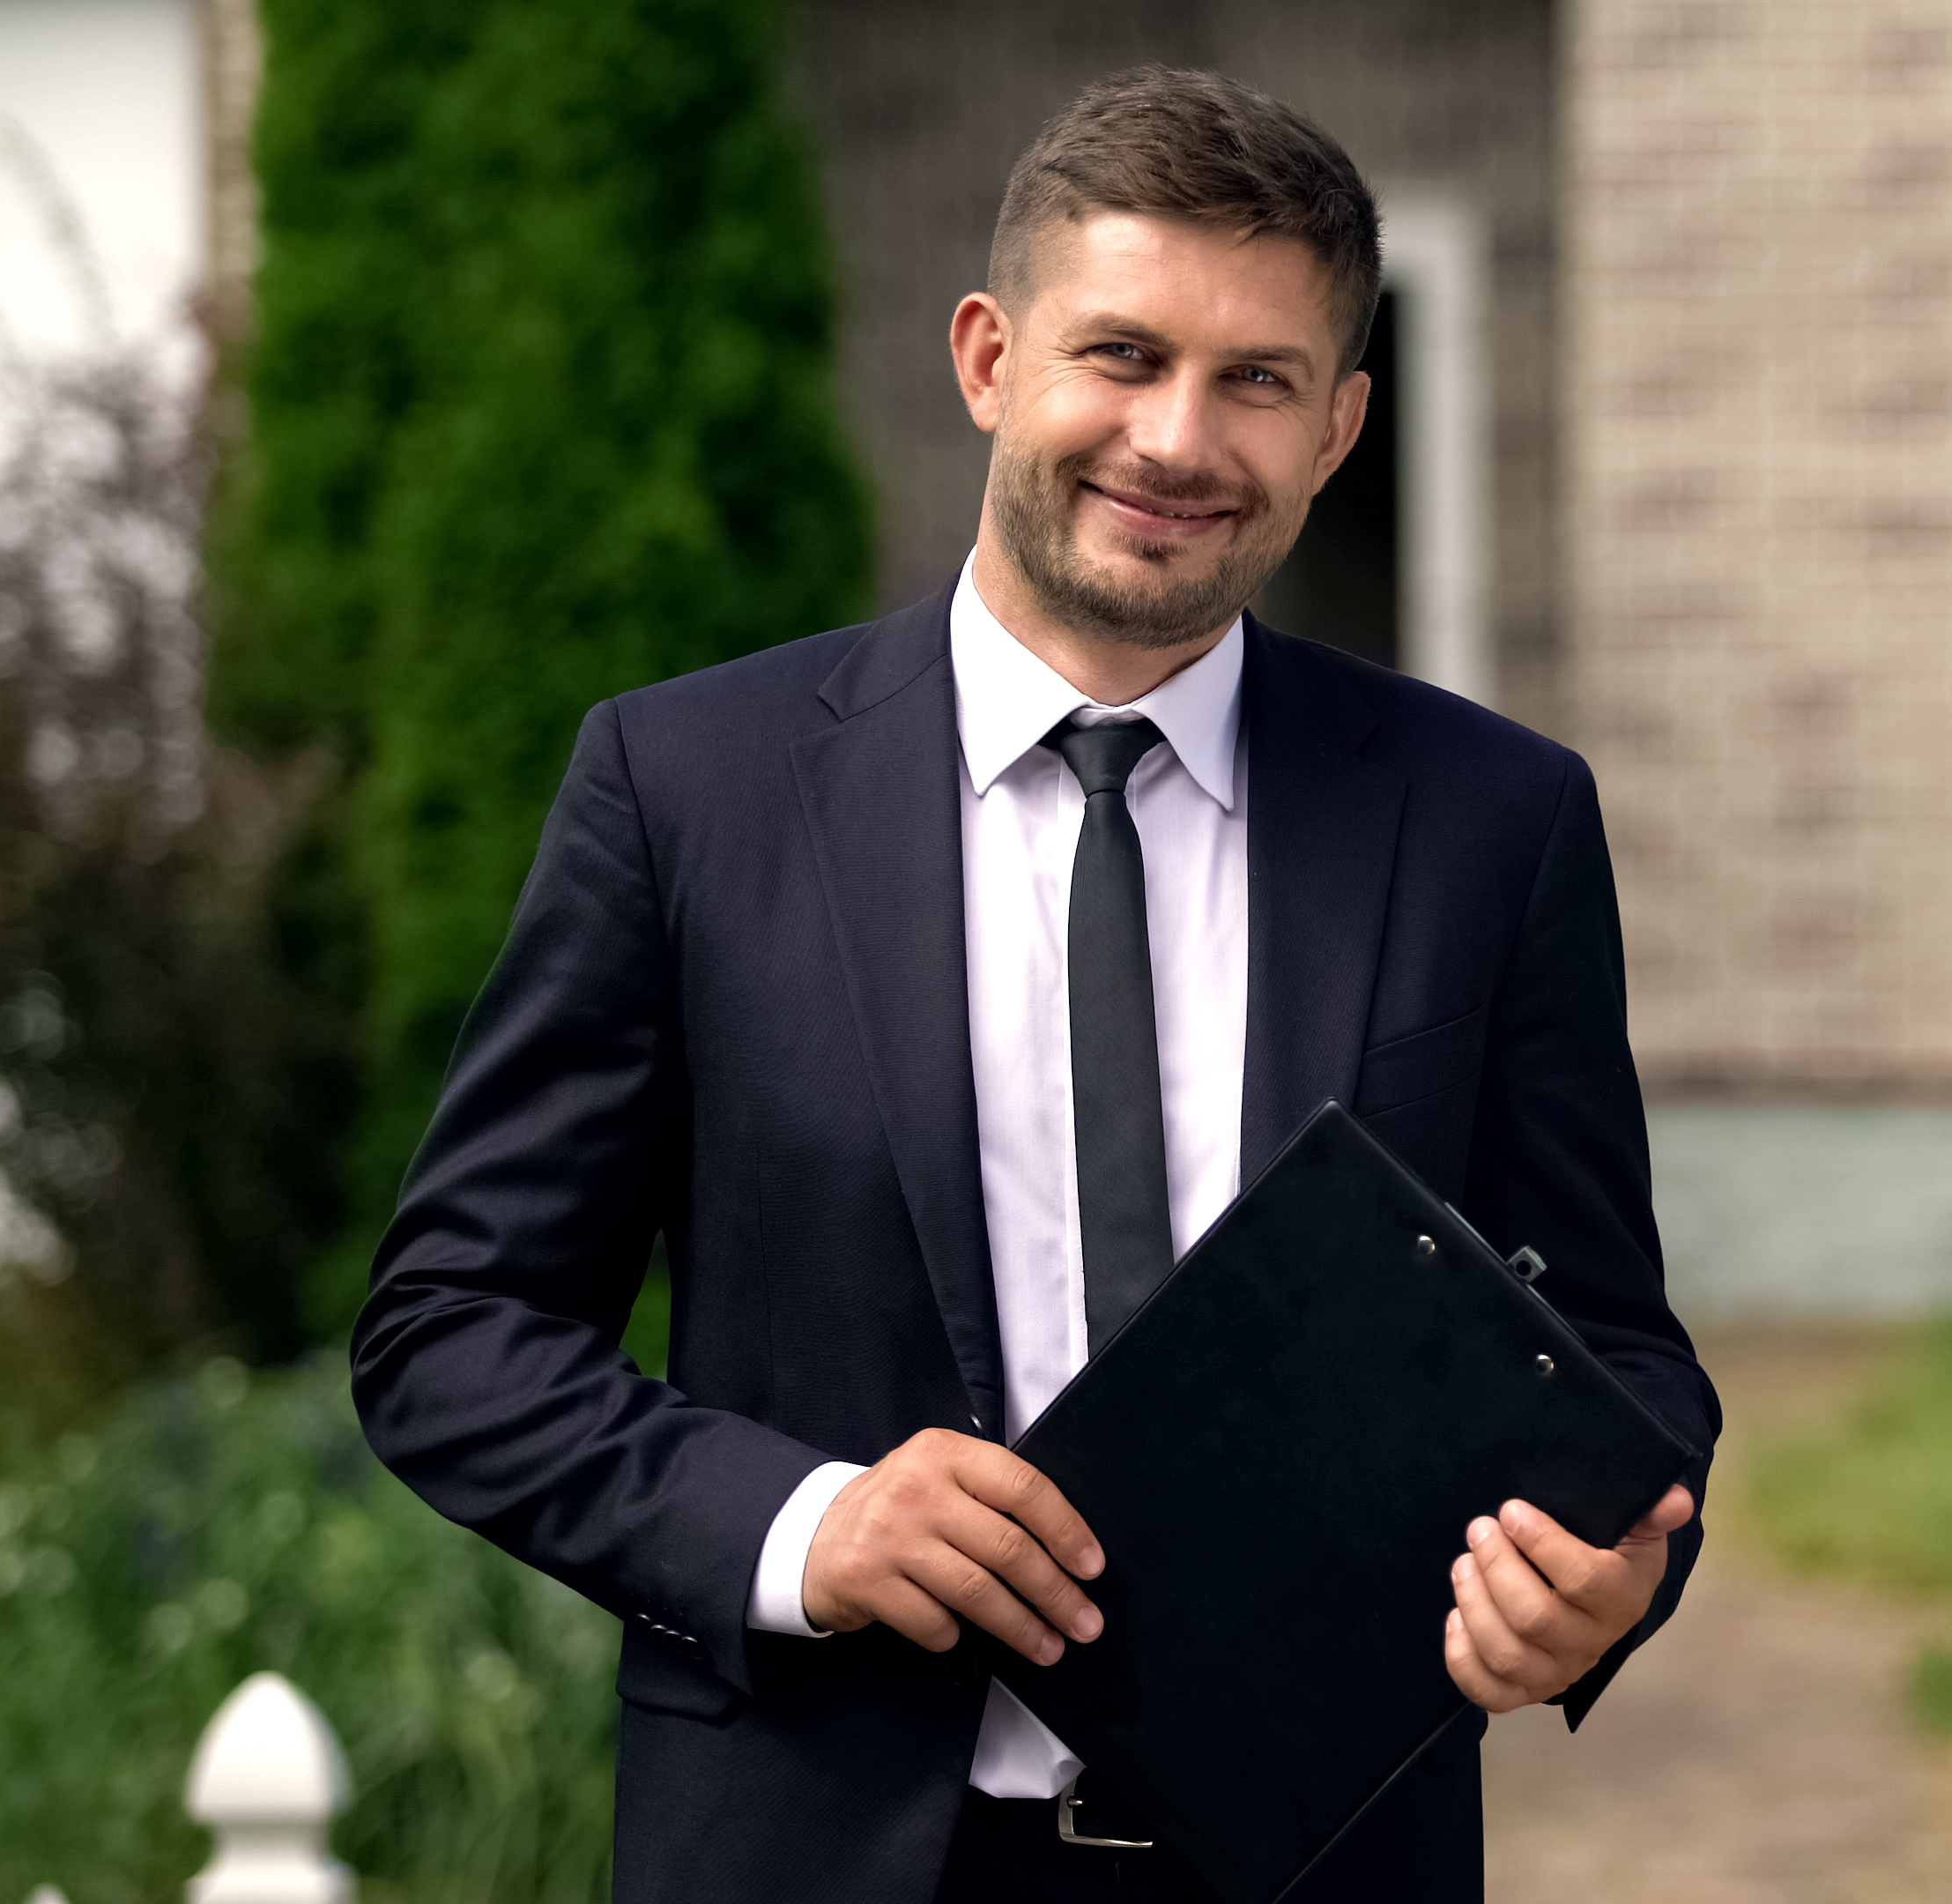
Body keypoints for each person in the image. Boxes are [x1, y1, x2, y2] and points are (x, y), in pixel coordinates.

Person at [350, 67, 1715, 1904]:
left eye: (1259, 380)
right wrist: (803, 1525)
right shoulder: (687, 791)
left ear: (1340, 428)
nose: (1177, 439)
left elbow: (1616, 1352)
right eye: (1121, 356)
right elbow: (453, 1328)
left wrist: (1612, 1574)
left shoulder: (1493, 821)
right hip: (821, 1851)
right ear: (991, 358)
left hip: (1320, 1858)